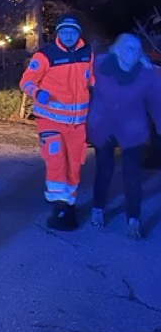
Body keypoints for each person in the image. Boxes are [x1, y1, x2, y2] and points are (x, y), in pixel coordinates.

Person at [19, 14, 94, 231]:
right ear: (58, 33)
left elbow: (95, 80)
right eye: (64, 32)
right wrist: (38, 92)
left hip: (77, 124)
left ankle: (68, 202)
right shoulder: (45, 55)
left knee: (75, 163)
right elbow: (27, 81)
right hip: (50, 121)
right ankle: (58, 204)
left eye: (73, 32)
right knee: (56, 160)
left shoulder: (88, 54)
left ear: (79, 34)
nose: (68, 35)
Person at [87, 33, 161, 239]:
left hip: (132, 130)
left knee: (132, 178)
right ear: (117, 49)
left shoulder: (146, 74)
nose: (132, 52)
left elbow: (157, 102)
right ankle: (98, 208)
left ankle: (133, 219)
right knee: (104, 172)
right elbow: (76, 74)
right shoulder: (100, 65)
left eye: (136, 49)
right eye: (128, 47)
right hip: (104, 127)